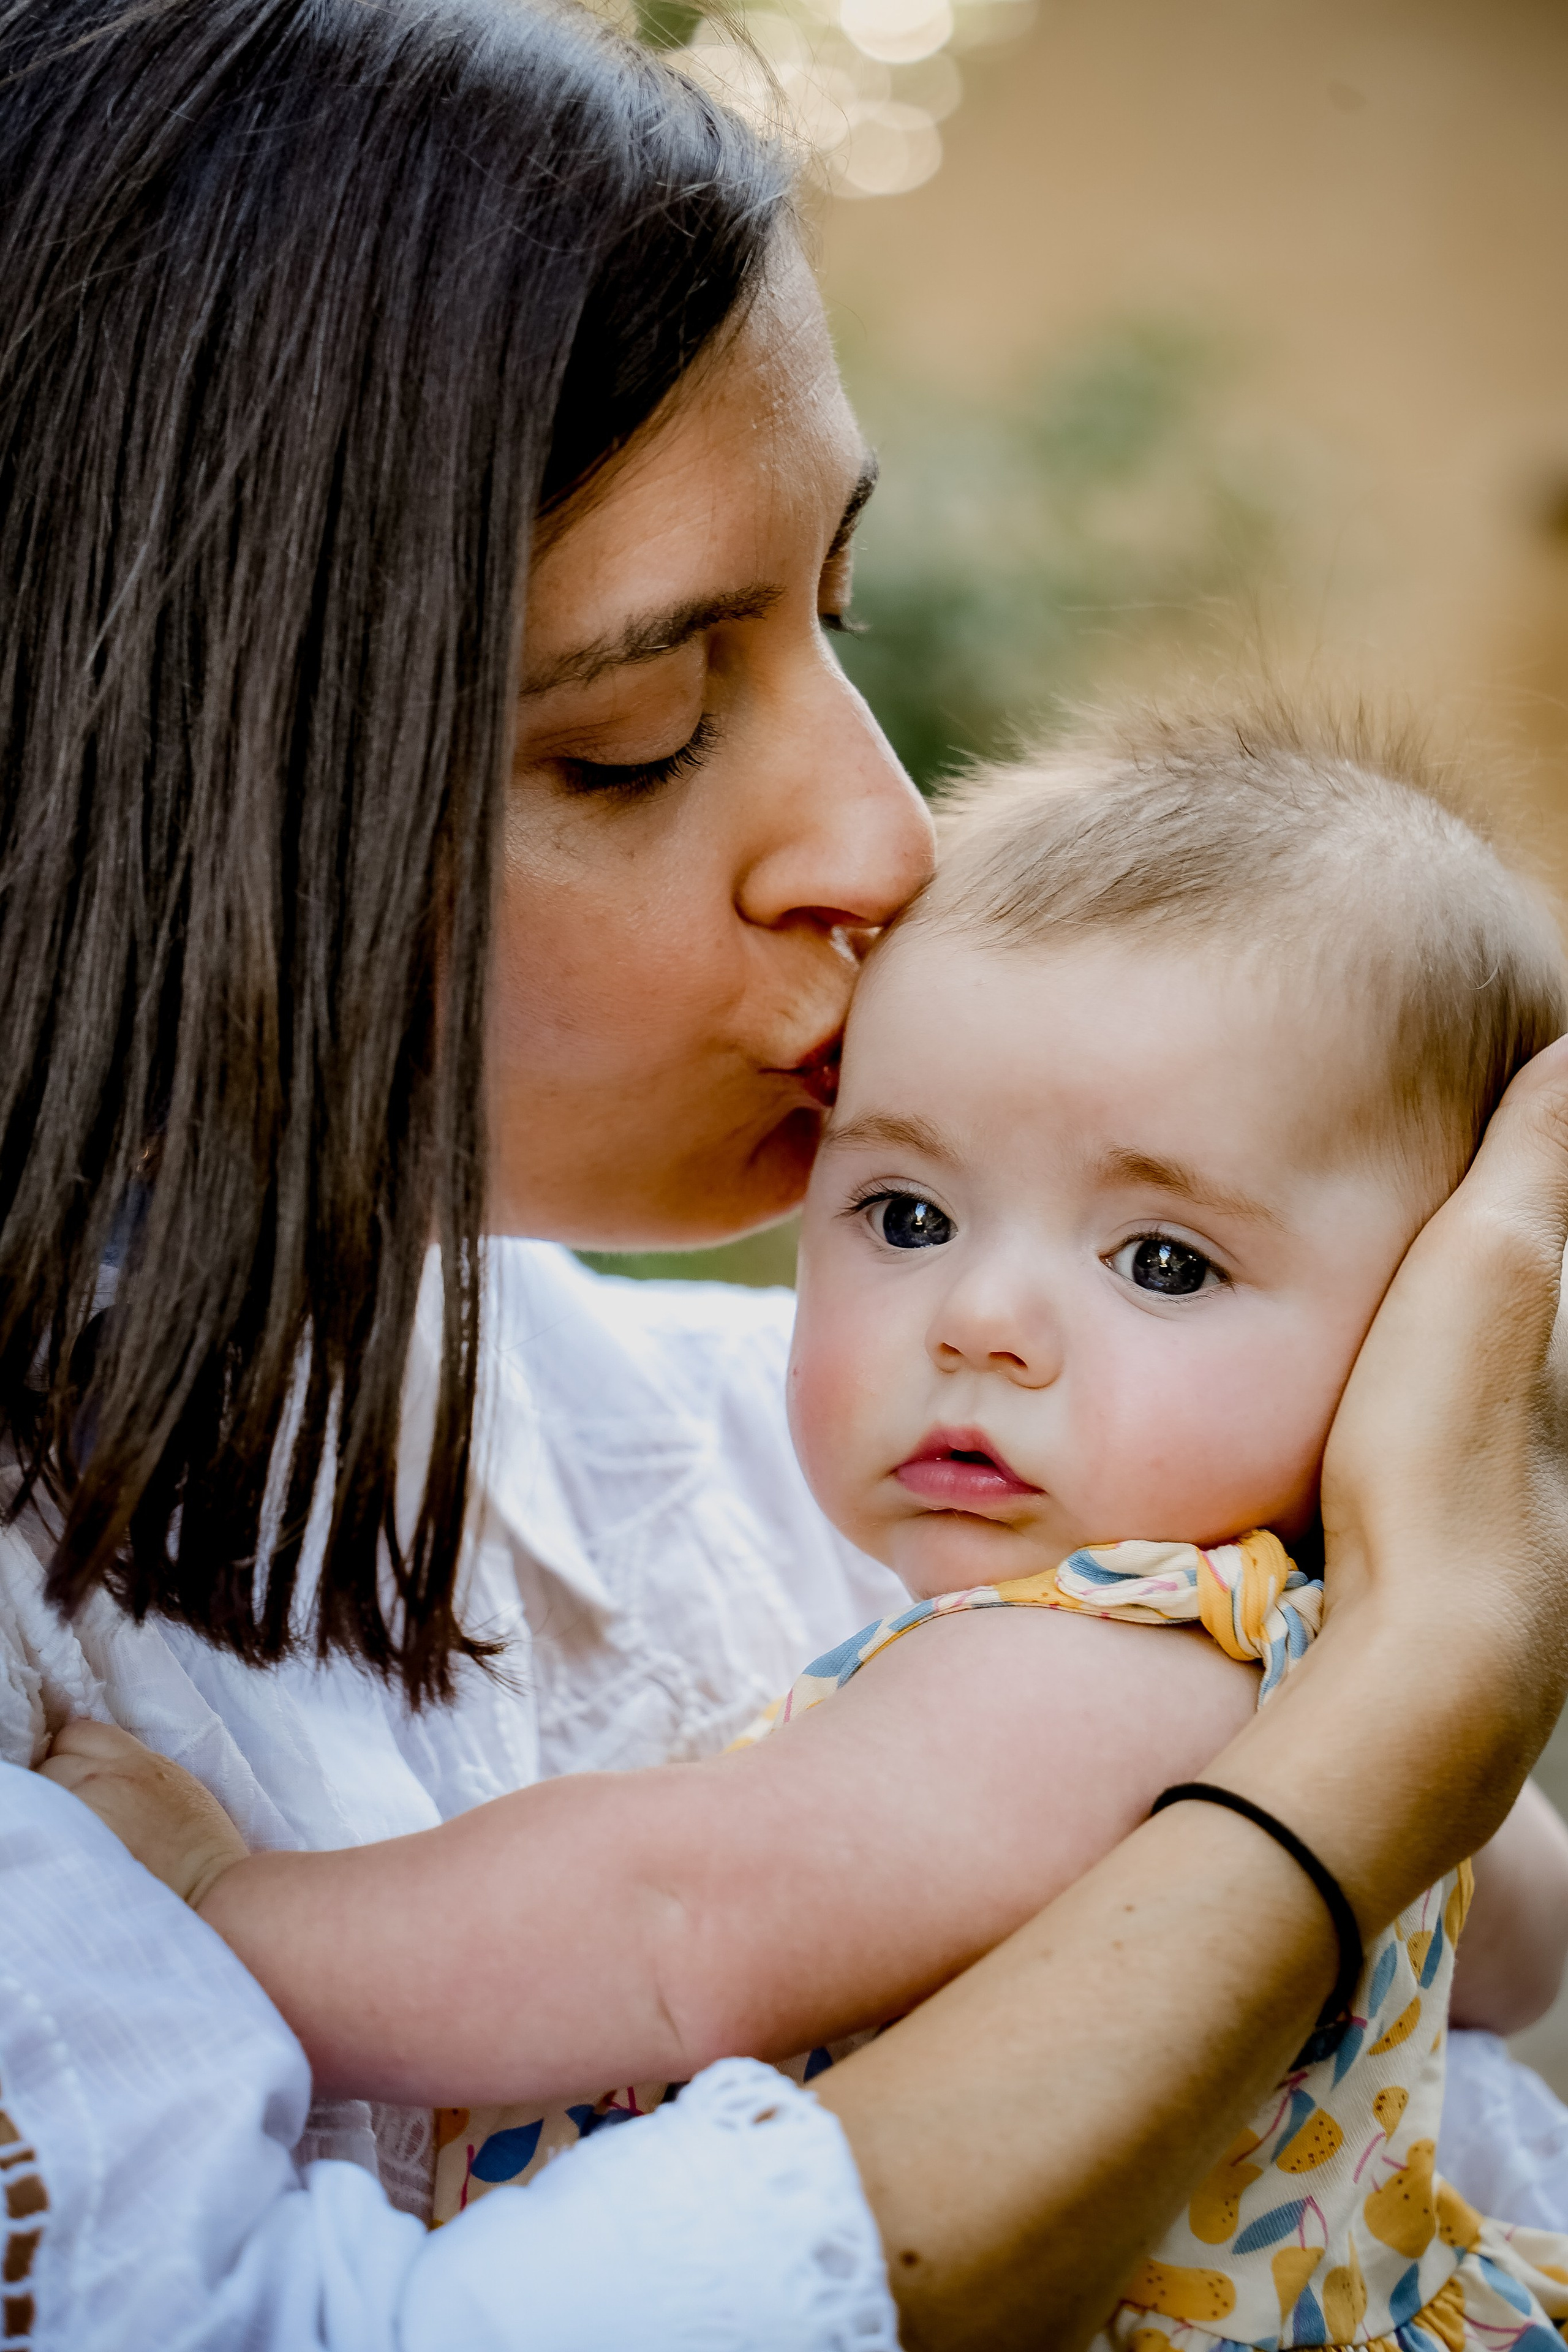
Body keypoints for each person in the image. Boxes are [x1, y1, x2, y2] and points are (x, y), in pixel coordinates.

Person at [4, 0, 1568, 2345]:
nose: (884, 838)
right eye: (638, 735)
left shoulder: (859, 1494)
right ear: (148, 794)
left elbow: (676, 1911)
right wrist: (1387, 1749)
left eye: (831, 621)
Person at [55, 709, 1568, 2349]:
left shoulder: (1104, 1668)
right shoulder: (1353, 1685)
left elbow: (674, 1925)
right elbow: (1513, 1954)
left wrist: (220, 1907)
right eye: (906, 1216)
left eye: (1165, 1261)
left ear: (1432, 1328)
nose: (983, 1318)